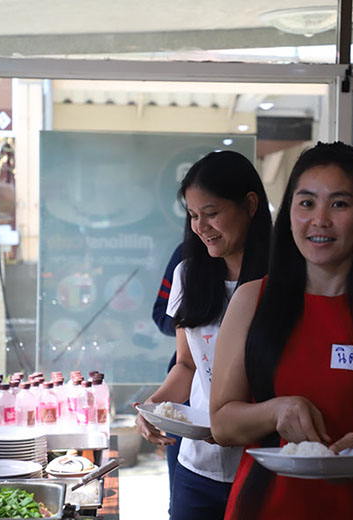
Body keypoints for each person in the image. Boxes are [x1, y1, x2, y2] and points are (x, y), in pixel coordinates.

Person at [210, 142, 353, 519]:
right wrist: (276, 410)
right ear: (289, 213)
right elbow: (222, 424)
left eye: (339, 204)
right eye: (307, 202)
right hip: (265, 507)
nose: (320, 219)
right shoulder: (251, 301)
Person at [135, 150, 272, 520]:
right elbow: (187, 365)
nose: (200, 226)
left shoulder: (284, 282)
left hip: (263, 464)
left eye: (211, 213)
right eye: (193, 215)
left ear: (250, 205)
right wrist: (154, 407)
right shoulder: (188, 274)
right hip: (197, 468)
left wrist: (234, 425)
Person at [151, 242, 183, 513]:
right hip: (186, 396)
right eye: (194, 220)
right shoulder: (187, 261)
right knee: (183, 499)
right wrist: (194, 324)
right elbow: (161, 314)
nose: (202, 226)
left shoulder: (271, 258)